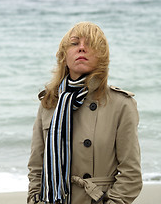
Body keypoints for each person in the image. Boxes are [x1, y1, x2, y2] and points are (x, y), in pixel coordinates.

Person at [27, 22, 142, 204]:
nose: (81, 48)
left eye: (90, 44)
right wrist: (35, 199)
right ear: (64, 56)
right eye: (74, 43)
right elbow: (36, 168)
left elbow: (131, 175)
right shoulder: (49, 103)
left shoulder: (121, 104)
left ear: (102, 57)